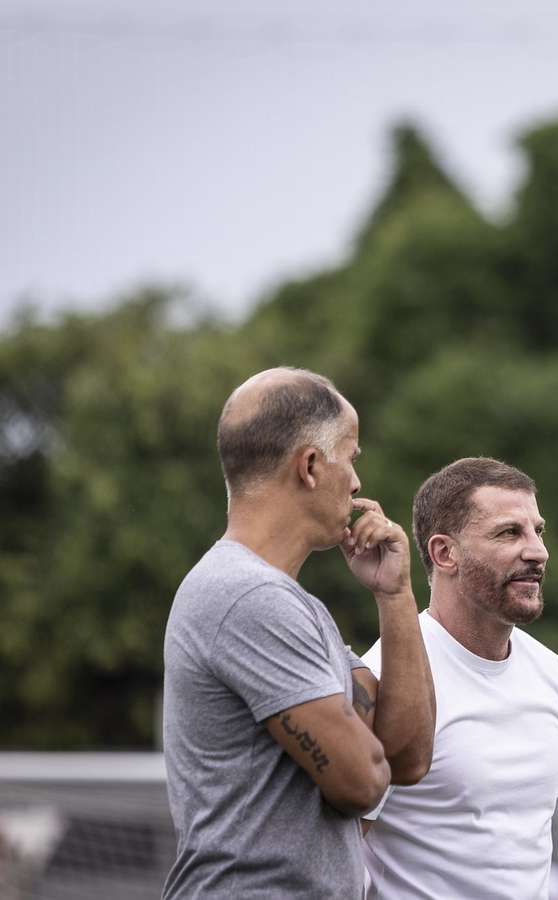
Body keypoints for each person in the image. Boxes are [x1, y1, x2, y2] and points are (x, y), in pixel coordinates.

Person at [162, 367, 436, 899]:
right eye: (351, 458)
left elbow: (406, 758)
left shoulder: (291, 605)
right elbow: (362, 781)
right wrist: (360, 750)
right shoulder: (248, 598)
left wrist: (396, 594)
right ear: (310, 466)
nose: (357, 483)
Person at [360, 457, 558, 900]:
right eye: (509, 533)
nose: (537, 551)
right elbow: (335, 852)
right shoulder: (384, 678)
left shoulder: (554, 675)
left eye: (538, 531)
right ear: (445, 553)